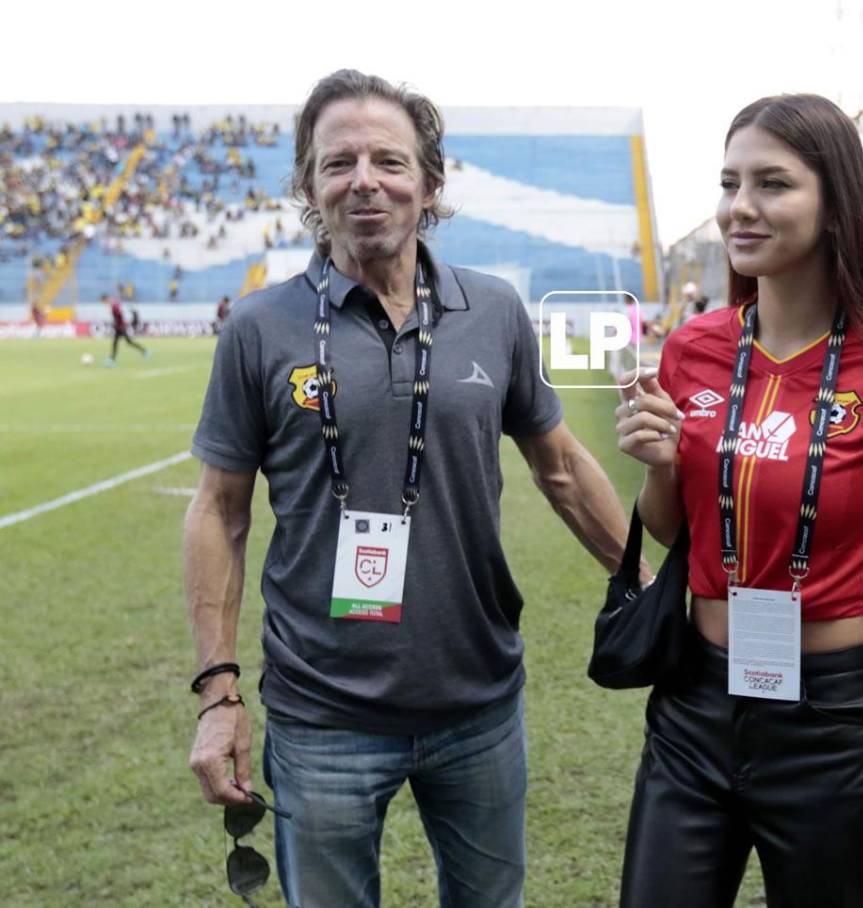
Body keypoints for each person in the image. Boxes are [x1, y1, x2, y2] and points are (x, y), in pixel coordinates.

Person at [184, 69, 638, 908]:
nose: (365, 180)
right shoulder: (258, 327)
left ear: (429, 183)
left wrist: (648, 583)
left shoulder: (494, 311)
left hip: (479, 705)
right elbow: (219, 509)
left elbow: (564, 468)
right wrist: (218, 692)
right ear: (308, 187)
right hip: (320, 715)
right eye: (338, 162)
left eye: (389, 161)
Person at [613, 94, 863, 907]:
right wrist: (659, 464)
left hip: (827, 724)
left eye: (772, 184)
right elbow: (671, 529)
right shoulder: (692, 349)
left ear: (835, 204)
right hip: (694, 706)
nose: (739, 208)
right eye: (728, 182)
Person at [103, 294, 148, 365]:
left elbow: (120, 313)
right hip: (119, 327)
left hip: (121, 327)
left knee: (127, 342)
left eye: (104, 301)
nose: (105, 302)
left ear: (107, 299)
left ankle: (145, 351)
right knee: (116, 343)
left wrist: (120, 322)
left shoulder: (114, 305)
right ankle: (112, 360)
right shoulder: (113, 305)